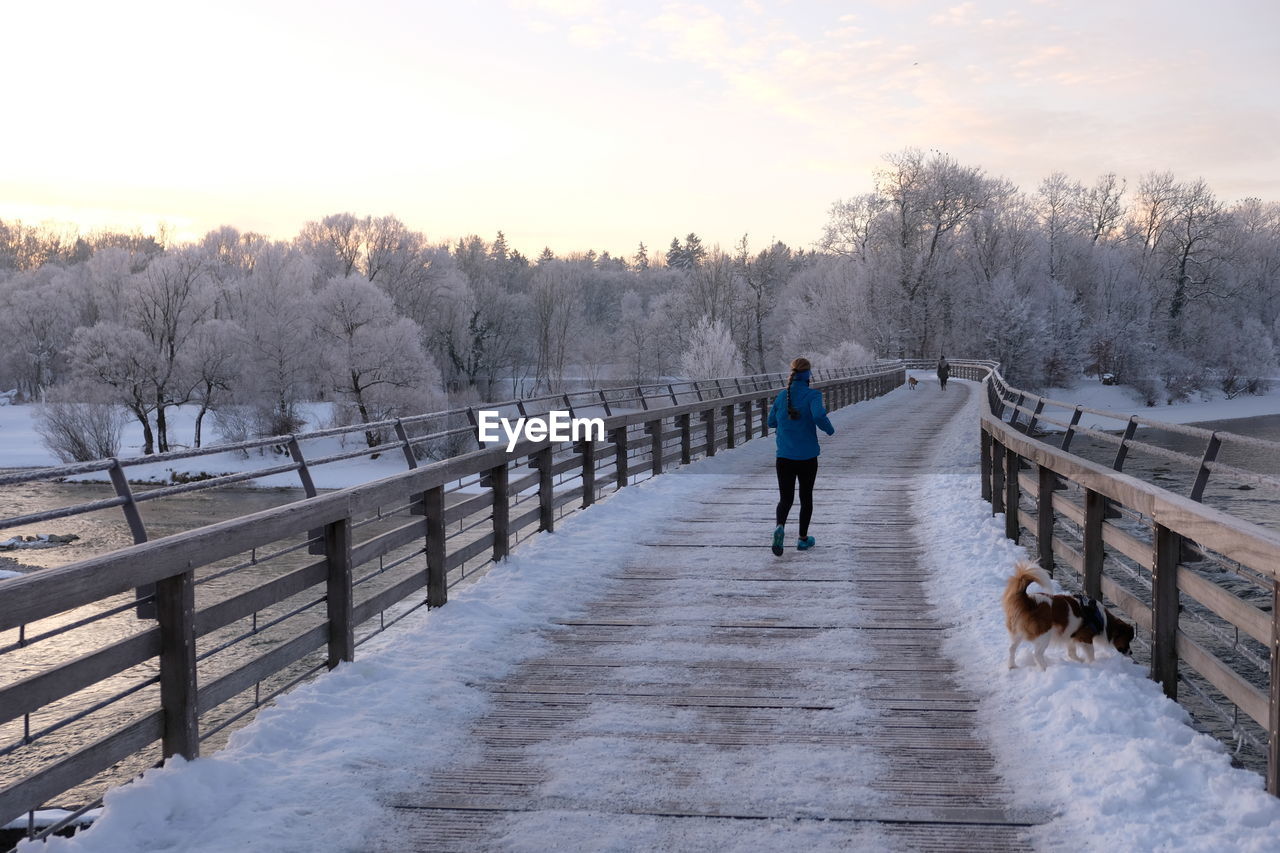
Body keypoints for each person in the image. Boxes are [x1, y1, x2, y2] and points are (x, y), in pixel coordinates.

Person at [767, 357, 835, 556]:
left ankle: (780, 526)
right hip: (807, 457)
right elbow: (819, 416)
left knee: (785, 498)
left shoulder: (782, 396)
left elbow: (771, 422)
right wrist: (829, 430)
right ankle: (803, 539)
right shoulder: (813, 395)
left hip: (784, 457)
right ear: (808, 375)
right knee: (806, 497)